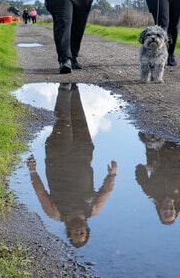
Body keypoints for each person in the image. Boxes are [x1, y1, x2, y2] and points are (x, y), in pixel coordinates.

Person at [27, 83, 118, 247]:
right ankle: (73, 87)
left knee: (64, 123)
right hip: (83, 154)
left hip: (58, 155)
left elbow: (40, 192)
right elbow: (106, 191)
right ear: (86, 230)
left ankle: (64, 89)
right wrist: (111, 175)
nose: (78, 232)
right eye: (82, 234)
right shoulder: (93, 209)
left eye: (75, 235)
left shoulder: (55, 213)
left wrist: (33, 170)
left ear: (68, 233)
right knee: (79, 119)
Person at [135, 132, 180, 225]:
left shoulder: (151, 192)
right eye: (171, 214)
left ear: (160, 211)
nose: (168, 211)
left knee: (152, 131)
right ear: (175, 211)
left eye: (165, 214)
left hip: (155, 150)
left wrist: (145, 168)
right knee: (179, 130)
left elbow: (138, 172)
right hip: (177, 149)